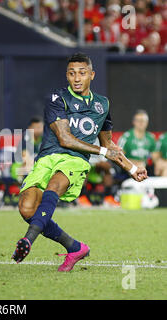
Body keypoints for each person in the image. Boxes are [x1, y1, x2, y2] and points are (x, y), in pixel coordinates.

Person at [11, 53, 148, 271]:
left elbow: (109, 145)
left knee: (54, 186)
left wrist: (131, 167)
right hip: (47, 158)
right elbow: (65, 139)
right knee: (27, 209)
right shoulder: (58, 97)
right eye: (72, 73)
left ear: (91, 75)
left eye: (82, 73)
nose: (77, 78)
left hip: (75, 161)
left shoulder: (102, 105)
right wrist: (103, 151)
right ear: (67, 75)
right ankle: (74, 247)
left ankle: (27, 241)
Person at [117, 110, 157, 180]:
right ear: (134, 122)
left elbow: (155, 158)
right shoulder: (126, 137)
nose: (141, 123)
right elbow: (118, 156)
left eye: (143, 121)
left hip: (145, 167)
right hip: (128, 168)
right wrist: (133, 164)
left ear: (147, 123)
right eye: (139, 121)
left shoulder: (151, 138)